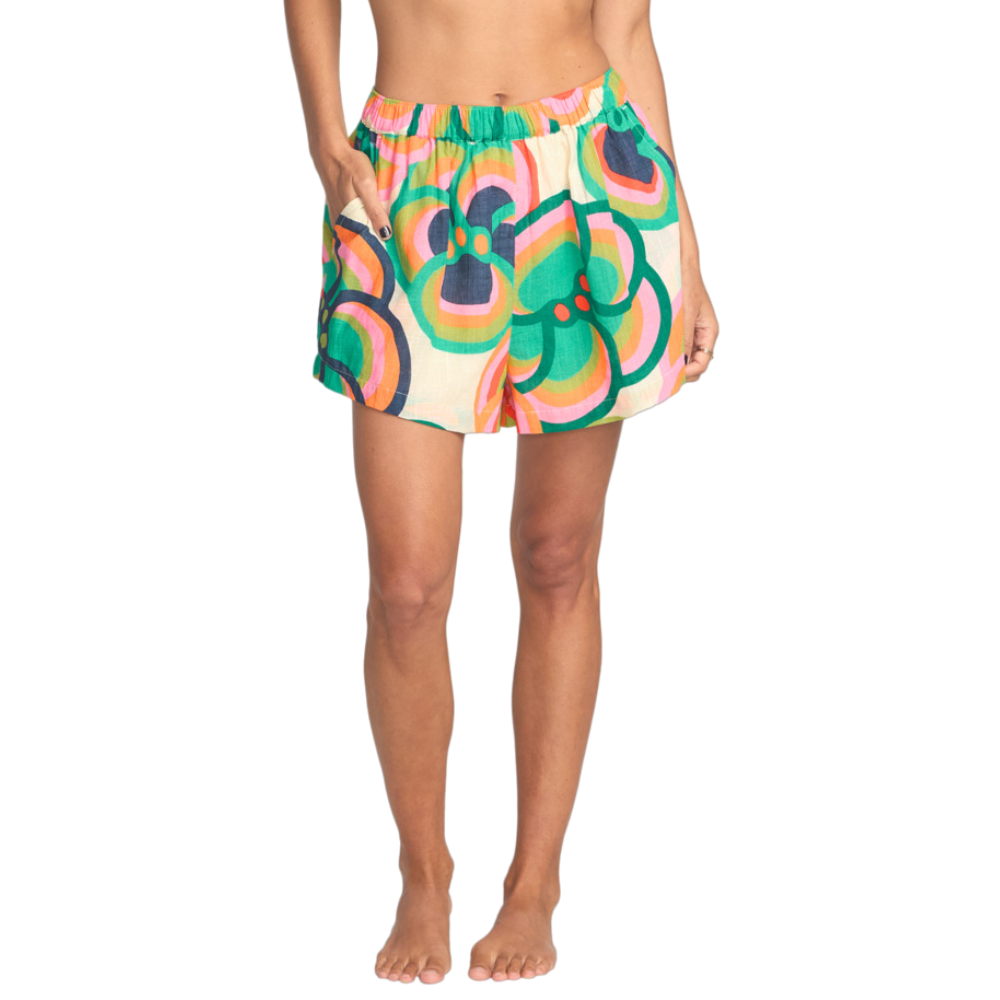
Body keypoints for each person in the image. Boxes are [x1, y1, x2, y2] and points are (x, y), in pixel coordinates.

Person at [285, 0, 719, 983]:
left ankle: (535, 883)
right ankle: (422, 869)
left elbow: (625, 30)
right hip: (407, 180)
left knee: (558, 554)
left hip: (590, 176)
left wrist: (687, 251)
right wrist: (323, 136)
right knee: (406, 585)